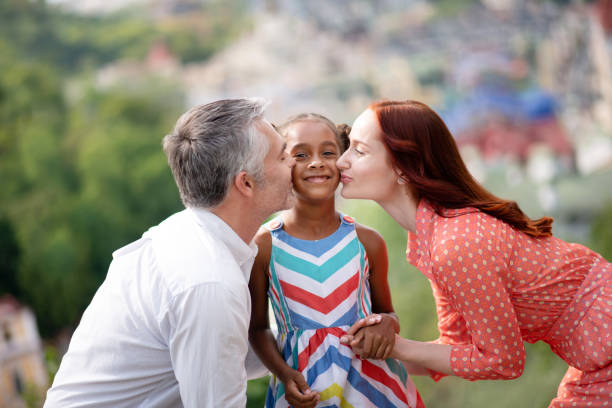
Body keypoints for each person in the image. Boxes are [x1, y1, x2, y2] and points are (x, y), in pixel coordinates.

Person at [336, 100, 611, 408]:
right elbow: (454, 348)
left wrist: (396, 347)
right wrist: (350, 348)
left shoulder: (455, 245)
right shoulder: (432, 235)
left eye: (358, 151)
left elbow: (503, 362)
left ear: (404, 166)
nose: (340, 162)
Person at [44, 98, 295, 407]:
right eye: (283, 156)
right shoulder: (209, 282)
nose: (295, 163)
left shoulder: (188, 238)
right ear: (246, 183)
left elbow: (226, 354)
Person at [248, 113, 424, 408]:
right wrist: (283, 373)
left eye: (328, 153)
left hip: (376, 387)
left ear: (342, 161)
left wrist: (384, 325)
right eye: (300, 154)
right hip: (304, 387)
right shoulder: (264, 245)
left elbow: (388, 315)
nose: (316, 162)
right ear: (282, 164)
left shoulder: (367, 241)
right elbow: (258, 328)